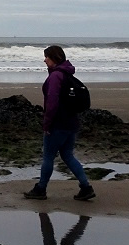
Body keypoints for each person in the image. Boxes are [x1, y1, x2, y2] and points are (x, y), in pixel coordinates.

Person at [24, 44, 96, 201]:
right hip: (71, 123)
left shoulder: (56, 76)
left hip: (58, 124)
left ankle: (41, 189)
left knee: (48, 157)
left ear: (55, 58)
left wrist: (47, 124)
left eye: (47, 57)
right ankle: (86, 187)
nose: (44, 60)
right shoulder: (67, 73)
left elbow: (52, 102)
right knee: (68, 155)